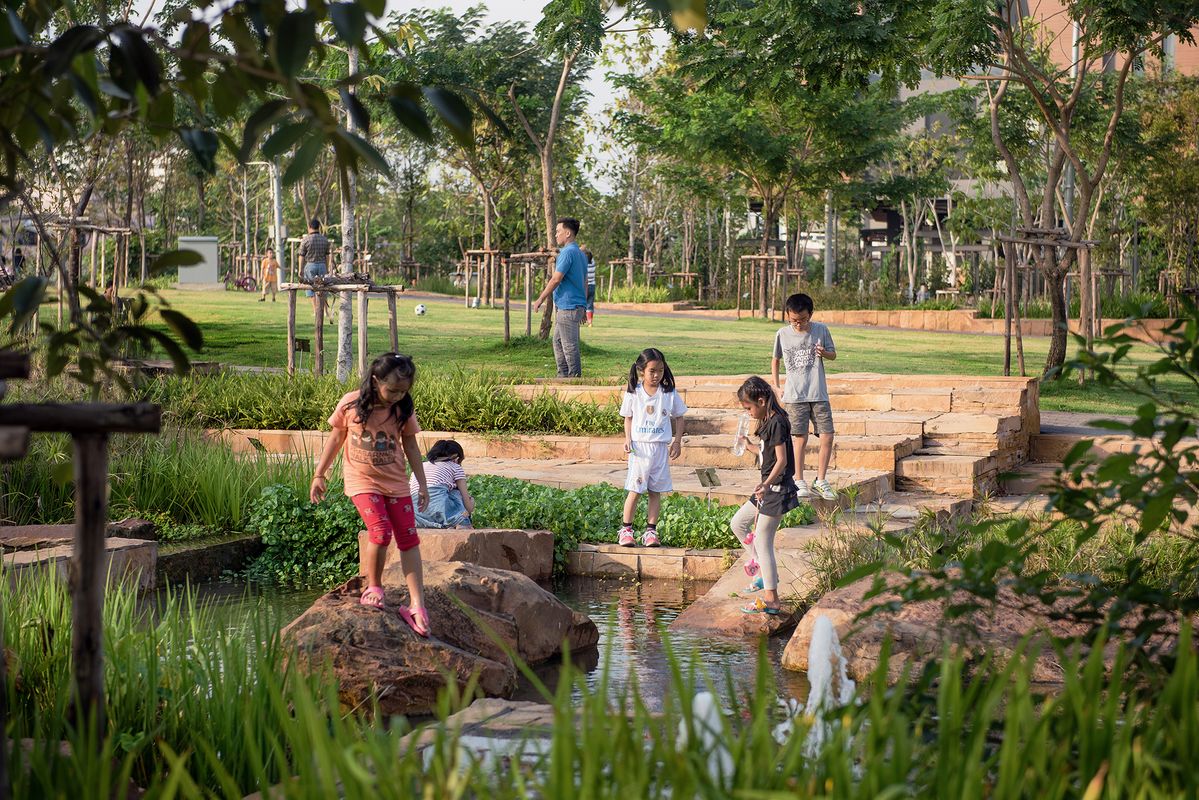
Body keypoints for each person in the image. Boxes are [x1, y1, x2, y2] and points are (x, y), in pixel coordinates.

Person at [310, 352, 431, 636]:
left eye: (404, 392)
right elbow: (336, 439)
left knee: (409, 538)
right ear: (376, 380)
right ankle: (374, 586)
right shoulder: (351, 403)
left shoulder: (402, 409)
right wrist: (319, 474)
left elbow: (411, 447)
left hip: (395, 481)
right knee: (379, 530)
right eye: (392, 390)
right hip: (361, 479)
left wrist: (422, 483)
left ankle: (417, 604)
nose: (397, 396)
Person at [732, 375, 800, 616]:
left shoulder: (778, 422)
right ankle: (762, 571)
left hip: (777, 490)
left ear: (761, 401)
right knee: (738, 523)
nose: (748, 412)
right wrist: (748, 444)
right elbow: (767, 455)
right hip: (767, 489)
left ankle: (772, 600)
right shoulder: (767, 420)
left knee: (763, 541)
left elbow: (781, 461)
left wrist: (766, 484)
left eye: (749, 407)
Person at [617, 348, 687, 547]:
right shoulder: (634, 392)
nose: (657, 375)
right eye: (652, 371)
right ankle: (626, 529)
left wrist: (677, 440)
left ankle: (650, 532)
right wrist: (627, 438)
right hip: (640, 449)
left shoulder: (669, 393)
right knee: (635, 489)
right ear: (641, 371)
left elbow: (679, 417)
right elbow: (628, 418)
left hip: (660, 448)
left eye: (661, 371)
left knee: (655, 491)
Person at [771, 292, 838, 501]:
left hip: (818, 392)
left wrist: (823, 353)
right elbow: (775, 360)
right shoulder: (782, 334)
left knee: (827, 435)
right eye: (793, 320)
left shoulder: (821, 330)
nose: (798, 324)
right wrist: (776, 386)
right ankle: (798, 479)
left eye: (802, 319)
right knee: (799, 437)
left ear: (810, 314)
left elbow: (833, 354)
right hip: (795, 395)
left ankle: (820, 480)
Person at [534, 217, 588, 377]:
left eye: (558, 232)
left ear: (568, 233)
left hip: (568, 306)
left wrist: (540, 299)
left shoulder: (567, 253)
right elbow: (585, 282)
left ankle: (574, 379)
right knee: (558, 342)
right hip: (574, 306)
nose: (556, 235)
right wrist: (584, 306)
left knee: (569, 345)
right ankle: (562, 376)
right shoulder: (581, 254)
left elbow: (556, 279)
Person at [410, 439, 475, 529]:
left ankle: (436, 524)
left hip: (417, 514)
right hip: (440, 506)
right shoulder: (455, 467)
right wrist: (471, 504)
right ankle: (461, 522)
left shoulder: (420, 466)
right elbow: (466, 501)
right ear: (456, 458)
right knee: (456, 493)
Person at [299, 218, 331, 316]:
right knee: (323, 288)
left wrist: (300, 270)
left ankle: (315, 311)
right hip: (322, 265)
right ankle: (325, 311)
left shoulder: (305, 240)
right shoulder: (324, 240)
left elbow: (301, 255)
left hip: (310, 266)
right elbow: (327, 255)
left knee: (311, 289)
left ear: (309, 227)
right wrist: (327, 267)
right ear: (319, 227)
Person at [584, 249, 597, 327]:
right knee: (590, 304)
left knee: (582, 303)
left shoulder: (584, 265)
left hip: (585, 286)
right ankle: (590, 322)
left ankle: (580, 319)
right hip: (592, 285)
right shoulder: (593, 263)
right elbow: (591, 257)